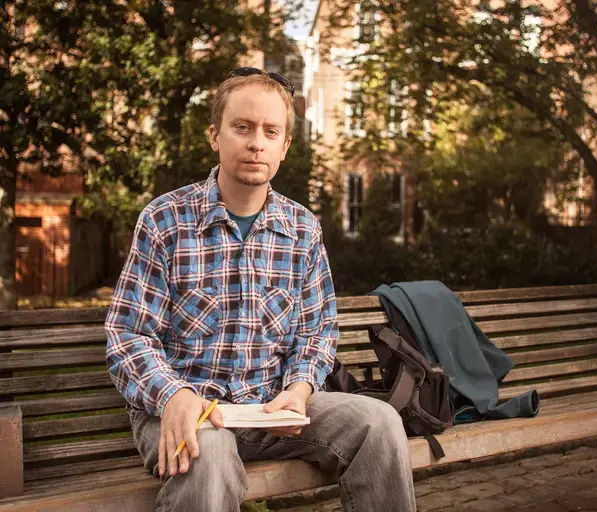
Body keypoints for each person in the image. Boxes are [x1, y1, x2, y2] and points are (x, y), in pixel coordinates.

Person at [105, 67, 416, 512]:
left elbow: (317, 331)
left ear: (285, 146)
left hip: (272, 410)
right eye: (243, 128)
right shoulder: (165, 220)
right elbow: (127, 334)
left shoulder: (302, 228)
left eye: (271, 131)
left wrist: (302, 388)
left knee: (380, 422)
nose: (256, 142)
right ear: (215, 135)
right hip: (186, 413)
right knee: (207, 453)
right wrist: (174, 394)